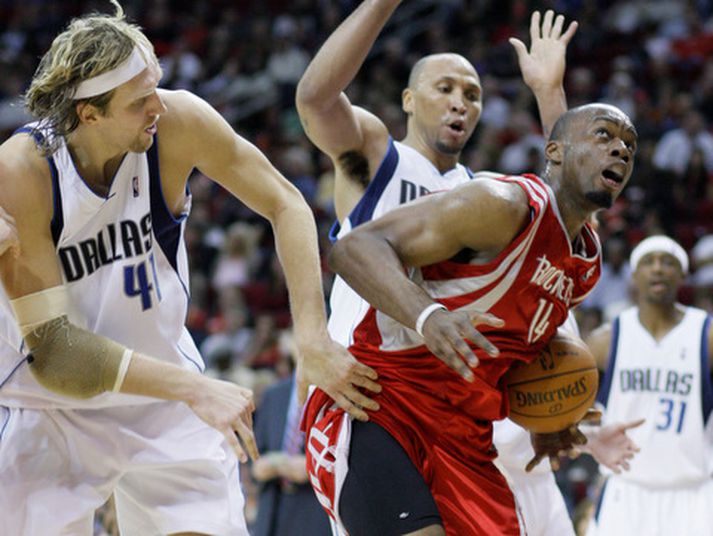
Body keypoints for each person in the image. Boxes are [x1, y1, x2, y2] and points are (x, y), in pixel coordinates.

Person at [0, 3, 378, 535]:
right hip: (51, 407)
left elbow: (286, 204)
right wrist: (195, 388)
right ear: (90, 114)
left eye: (156, 85)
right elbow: (58, 354)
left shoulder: (177, 124)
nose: (158, 105)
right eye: (138, 101)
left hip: (161, 400)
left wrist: (312, 336)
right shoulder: (24, 171)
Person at [297, 3, 638, 535]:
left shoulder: (484, 197)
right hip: (369, 385)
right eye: (445, 88)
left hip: (461, 407)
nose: (460, 102)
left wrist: (550, 93)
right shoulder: (380, 159)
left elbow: (563, 203)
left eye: (473, 94)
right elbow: (315, 99)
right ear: (408, 100)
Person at [584, 235, 713, 536]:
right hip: (624, 491)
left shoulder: (705, 336)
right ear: (634, 274)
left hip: (694, 493)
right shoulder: (606, 339)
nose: (658, 269)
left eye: (668, 263)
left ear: (682, 275)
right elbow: (575, 410)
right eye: (648, 262)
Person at [251, 371, 331, 536]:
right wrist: (275, 464)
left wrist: (311, 466)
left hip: (317, 510)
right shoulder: (273, 394)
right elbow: (256, 460)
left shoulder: (335, 391)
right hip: (274, 509)